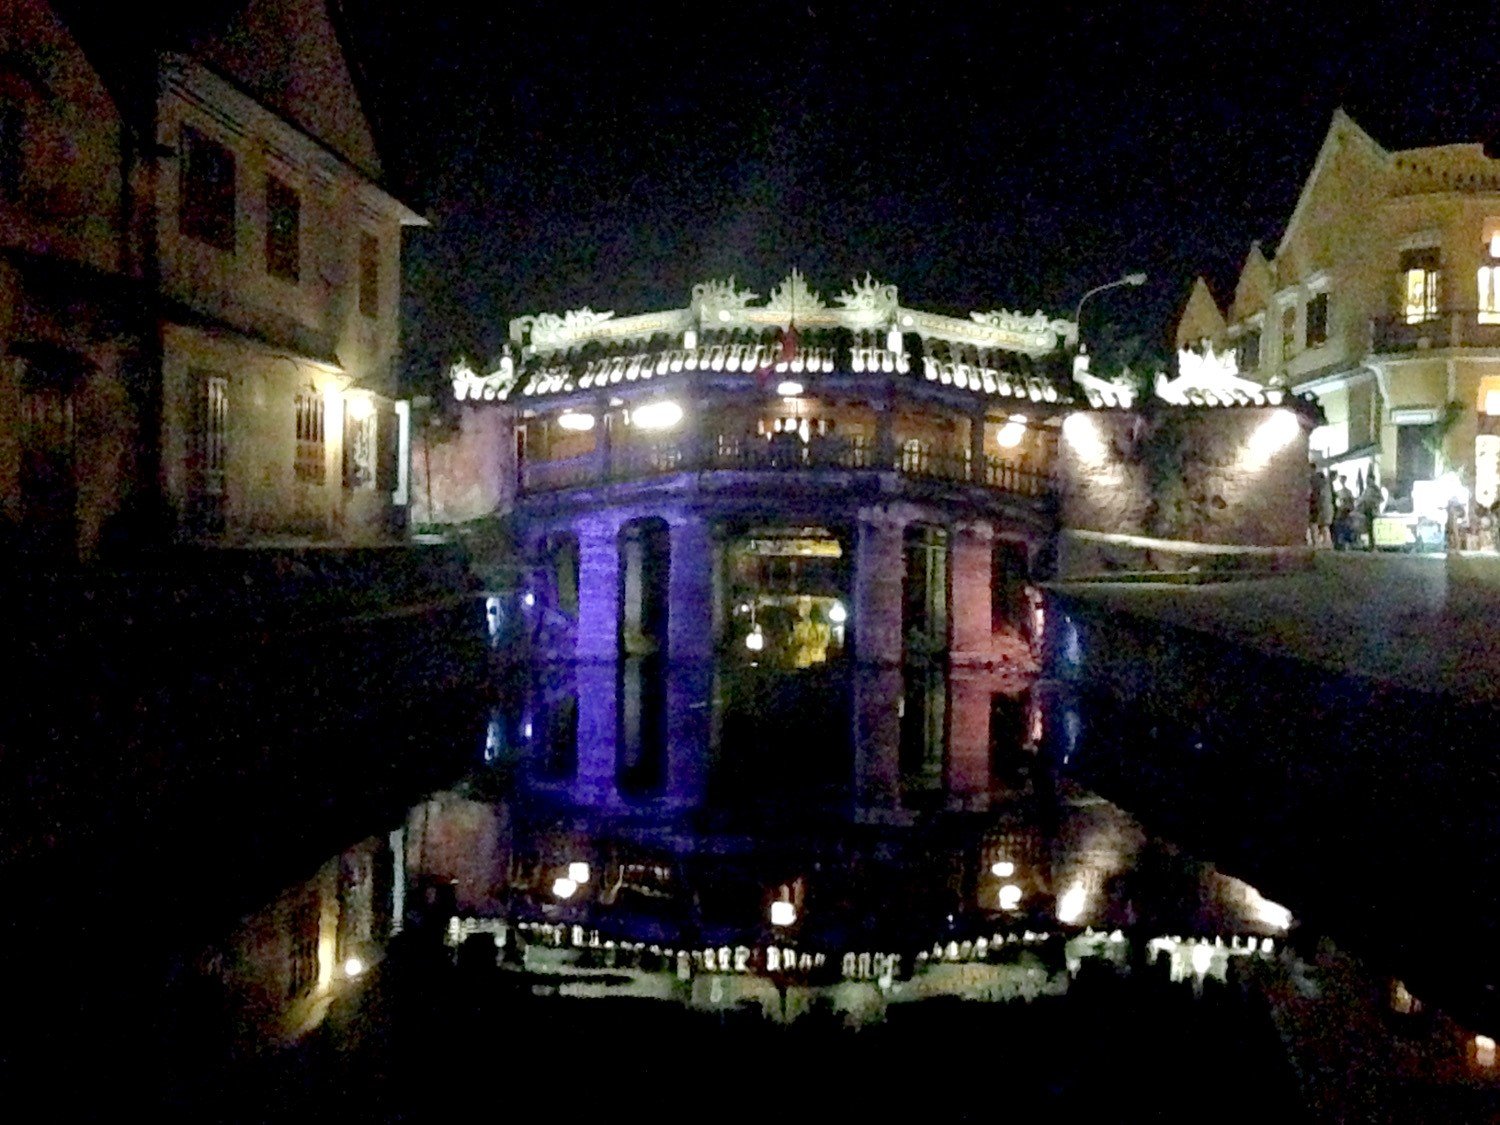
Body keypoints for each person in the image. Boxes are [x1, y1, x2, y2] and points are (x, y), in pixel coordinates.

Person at [1357, 477, 1385, 551]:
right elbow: (1363, 498)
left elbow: (1381, 499)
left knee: (1371, 529)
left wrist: (1374, 502)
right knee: (1369, 528)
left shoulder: (1376, 489)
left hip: (1372, 511)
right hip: (1367, 510)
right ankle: (1371, 544)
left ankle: (1372, 545)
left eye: (1369, 480)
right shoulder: (1367, 489)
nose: (1368, 482)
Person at [1332, 475, 1355, 550]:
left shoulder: (1346, 492)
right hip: (1342, 511)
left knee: (1344, 526)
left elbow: (1351, 502)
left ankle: (1344, 542)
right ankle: (1342, 542)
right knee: (1343, 526)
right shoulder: (1342, 491)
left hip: (1344, 511)